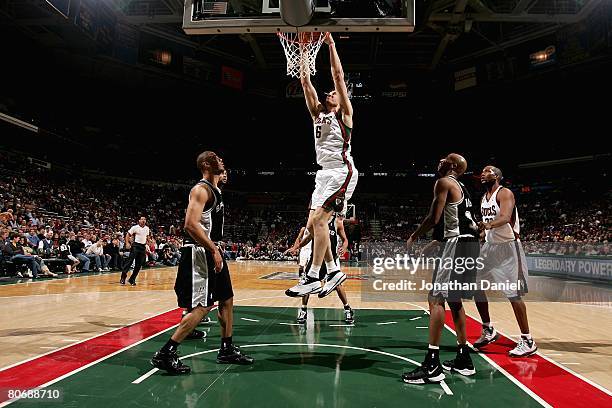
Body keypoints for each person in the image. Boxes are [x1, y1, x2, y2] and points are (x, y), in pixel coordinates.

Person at [151, 151, 253, 375]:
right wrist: (213, 249)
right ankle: (167, 352)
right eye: (217, 158)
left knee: (226, 298)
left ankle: (226, 348)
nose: (222, 160)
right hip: (201, 252)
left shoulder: (215, 190)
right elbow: (190, 224)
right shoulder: (201, 189)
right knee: (203, 305)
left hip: (212, 250)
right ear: (207, 164)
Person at [286, 32, 358, 298]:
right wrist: (304, 50)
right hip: (322, 175)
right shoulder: (317, 114)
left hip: (342, 172)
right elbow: (305, 81)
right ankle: (332, 268)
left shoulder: (346, 114)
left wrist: (331, 44)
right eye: (327, 92)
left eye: (334, 93)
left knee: (318, 220)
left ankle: (314, 275)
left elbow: (338, 77)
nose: (330, 93)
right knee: (314, 224)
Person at [402, 153, 480, 384]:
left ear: (454, 166)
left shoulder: (444, 182)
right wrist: (435, 244)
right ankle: (464, 358)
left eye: (446, 158)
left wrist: (414, 236)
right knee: (455, 301)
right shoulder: (464, 188)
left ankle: (433, 365)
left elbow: (434, 218)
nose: (440, 160)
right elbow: (462, 223)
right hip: (469, 244)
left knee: (435, 299)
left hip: (457, 245)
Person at [473, 165, 536, 357]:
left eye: (488, 171)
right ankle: (488, 328)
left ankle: (527, 340)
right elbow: (489, 226)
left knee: (513, 294)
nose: (483, 173)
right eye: (482, 172)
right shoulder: (483, 199)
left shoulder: (505, 193)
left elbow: (505, 217)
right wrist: (481, 232)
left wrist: (488, 225)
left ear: (498, 176)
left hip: (508, 248)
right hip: (490, 248)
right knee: (473, 283)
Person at [286, 211, 354, 324]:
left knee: (337, 285)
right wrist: (296, 247)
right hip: (316, 258)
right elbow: (307, 239)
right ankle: (303, 310)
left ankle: (347, 309)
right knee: (307, 284)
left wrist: (344, 247)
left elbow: (345, 240)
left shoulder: (337, 222)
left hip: (331, 259)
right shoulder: (316, 221)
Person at [120, 217, 149, 285]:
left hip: (142, 247)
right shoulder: (135, 227)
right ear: (139, 220)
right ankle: (123, 277)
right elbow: (128, 234)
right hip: (135, 246)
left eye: (145, 219)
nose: (143, 220)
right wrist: (127, 243)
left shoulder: (147, 228)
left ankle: (132, 279)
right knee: (129, 262)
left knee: (138, 265)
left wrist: (147, 244)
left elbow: (146, 237)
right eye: (142, 219)